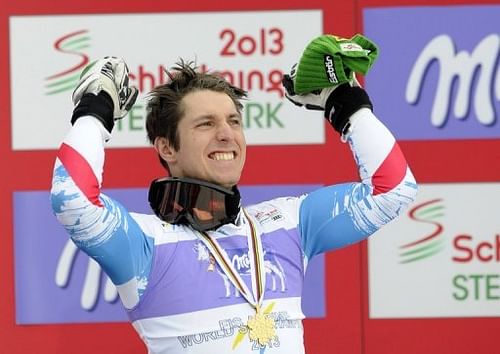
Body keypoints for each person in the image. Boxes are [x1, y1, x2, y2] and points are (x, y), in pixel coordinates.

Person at [50, 34, 417, 353]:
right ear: (167, 148)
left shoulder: (288, 224)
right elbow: (75, 201)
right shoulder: (147, 246)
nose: (227, 134)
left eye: (234, 121)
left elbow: (392, 190)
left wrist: (346, 102)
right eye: (206, 124)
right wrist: (94, 110)